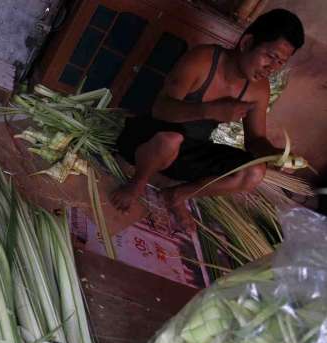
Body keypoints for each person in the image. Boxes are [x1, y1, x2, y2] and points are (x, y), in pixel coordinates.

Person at [111, 8, 304, 230]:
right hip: (148, 141)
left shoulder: (259, 89)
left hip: (192, 151)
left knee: (253, 173)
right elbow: (160, 108)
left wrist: (276, 156)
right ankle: (137, 183)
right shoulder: (202, 60)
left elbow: (255, 141)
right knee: (171, 139)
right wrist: (209, 110)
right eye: (270, 56)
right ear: (247, 42)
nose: (271, 69)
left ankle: (177, 194)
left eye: (280, 62)